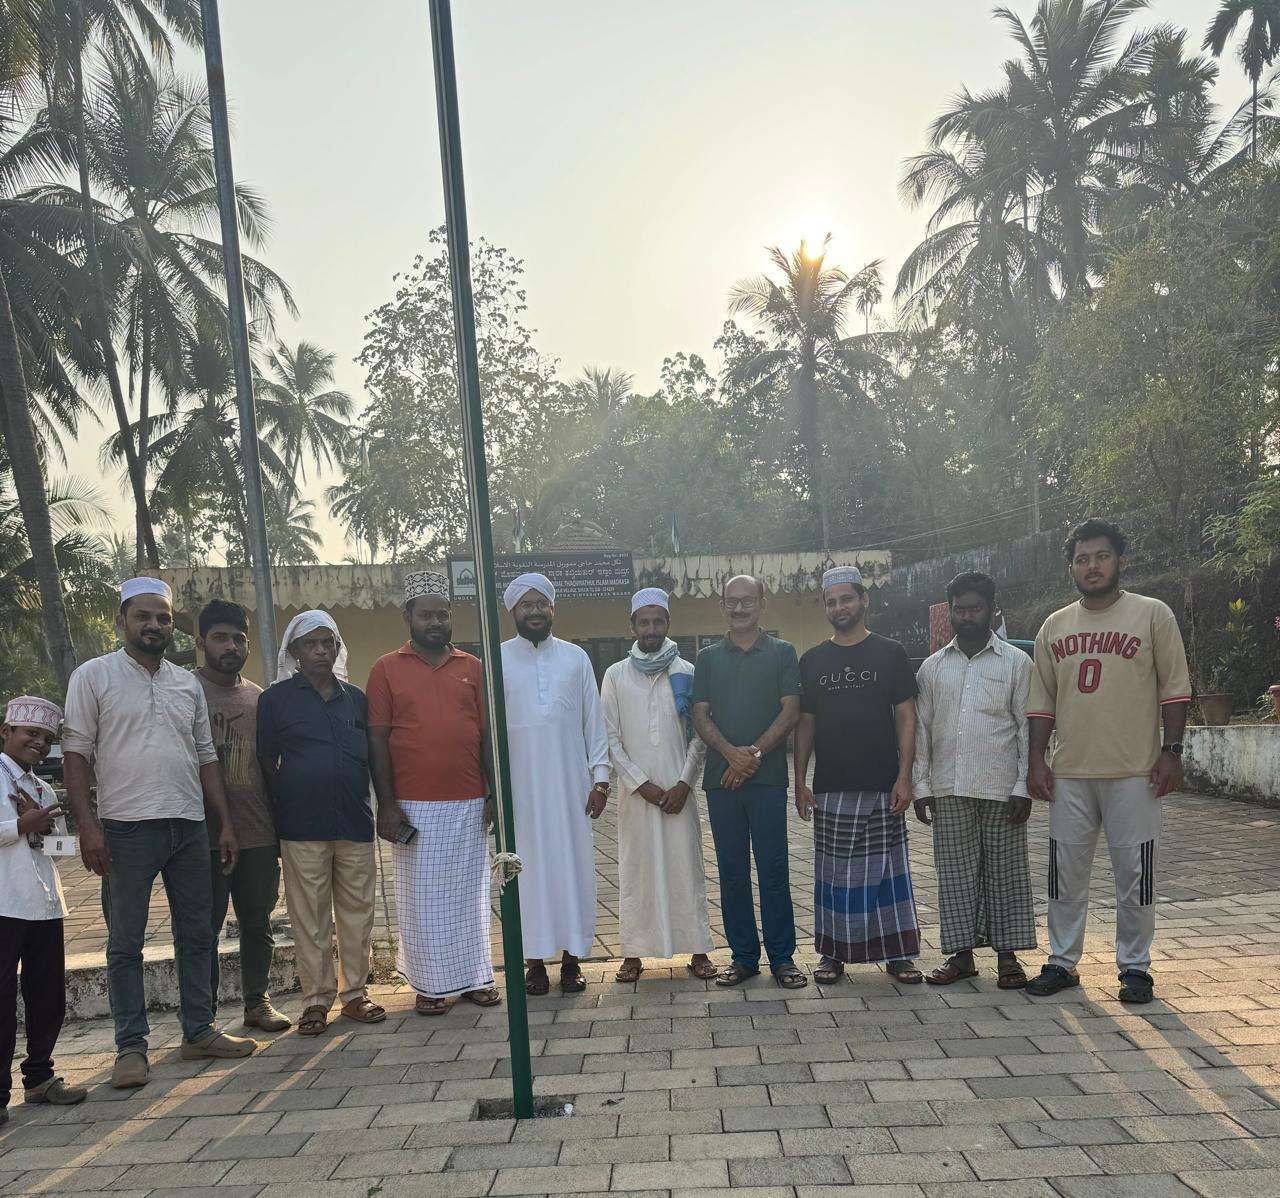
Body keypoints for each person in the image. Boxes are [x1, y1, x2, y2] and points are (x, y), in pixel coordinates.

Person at [63, 578, 256, 1090]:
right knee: (126, 943)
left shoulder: (184, 684)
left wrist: (224, 823)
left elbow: (206, 756)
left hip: (189, 827)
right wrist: (88, 826)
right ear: (122, 621)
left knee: (197, 934)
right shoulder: (94, 676)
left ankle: (199, 1031)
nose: (154, 625)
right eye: (143, 616)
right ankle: (131, 1048)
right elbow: (76, 754)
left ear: (174, 625)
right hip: (125, 830)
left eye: (163, 618)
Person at [1025, 519, 1191, 1005]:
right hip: (1070, 774)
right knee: (1064, 874)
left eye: (1101, 556)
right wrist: (1037, 760)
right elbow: (1042, 703)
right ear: (1071, 568)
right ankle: (1062, 961)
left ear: (1121, 561)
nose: (1092, 566)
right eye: (1082, 559)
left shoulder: (1152, 615)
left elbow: (1175, 690)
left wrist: (1171, 751)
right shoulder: (1054, 626)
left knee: (1136, 874)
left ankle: (1135, 967)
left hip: (1135, 772)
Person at [368, 571, 500, 1016]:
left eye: (442, 614)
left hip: (468, 800)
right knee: (422, 901)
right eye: (426, 615)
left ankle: (475, 977)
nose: (435, 622)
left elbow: (485, 735)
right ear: (407, 616)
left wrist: (493, 793)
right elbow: (377, 740)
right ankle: (429, 984)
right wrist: (387, 805)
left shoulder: (471, 667)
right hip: (413, 805)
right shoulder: (386, 669)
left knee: (469, 895)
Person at [257, 610, 383, 1036]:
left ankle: (355, 994)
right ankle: (315, 1000)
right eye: (310, 644)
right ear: (294, 651)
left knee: (358, 913)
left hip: (354, 822)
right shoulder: (275, 700)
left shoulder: (356, 699)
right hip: (301, 826)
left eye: (328, 643)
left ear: (337, 648)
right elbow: (266, 762)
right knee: (309, 917)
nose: (320, 651)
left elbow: (371, 757)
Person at [795, 567, 923, 986]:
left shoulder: (890, 653)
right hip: (832, 786)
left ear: (864, 600)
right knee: (834, 875)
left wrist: (905, 776)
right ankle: (832, 954)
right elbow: (805, 725)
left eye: (846, 599)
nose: (839, 608)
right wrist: (800, 781)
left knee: (889, 875)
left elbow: (906, 716)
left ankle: (899, 954)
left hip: (882, 784)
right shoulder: (813, 660)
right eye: (831, 602)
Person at [912, 571, 1036, 990]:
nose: (967, 616)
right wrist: (921, 786)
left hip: (1002, 789)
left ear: (992, 610)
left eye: (975, 608)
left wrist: (1023, 786)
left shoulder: (1016, 663)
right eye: (960, 609)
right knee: (955, 873)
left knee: (1006, 872)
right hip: (948, 788)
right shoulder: (932, 668)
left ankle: (1008, 958)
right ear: (951, 612)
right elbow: (921, 731)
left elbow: (1027, 729)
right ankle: (961, 956)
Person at [692, 575, 805, 990]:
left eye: (747, 601)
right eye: (732, 601)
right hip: (722, 782)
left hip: (768, 781)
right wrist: (732, 755)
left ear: (762, 604)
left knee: (774, 869)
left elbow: (791, 710)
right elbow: (700, 715)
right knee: (732, 871)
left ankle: (783, 958)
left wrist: (753, 754)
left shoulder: (782, 652)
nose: (739, 608)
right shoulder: (707, 658)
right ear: (722, 605)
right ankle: (743, 957)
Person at [500, 573, 610, 996]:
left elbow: (593, 721)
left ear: (553, 609)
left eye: (540, 604)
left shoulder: (575, 658)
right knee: (525, 873)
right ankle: (533, 963)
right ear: (513, 612)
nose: (534, 611)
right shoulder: (497, 659)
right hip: (521, 790)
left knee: (571, 869)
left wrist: (601, 780)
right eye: (525, 605)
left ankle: (571, 961)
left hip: (569, 787)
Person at [601, 588, 714, 983]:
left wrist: (684, 783)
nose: (651, 629)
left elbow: (699, 736)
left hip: (680, 791)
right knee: (637, 870)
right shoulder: (615, 675)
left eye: (658, 621)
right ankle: (633, 953)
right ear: (632, 626)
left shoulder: (688, 672)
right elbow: (609, 738)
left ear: (668, 623)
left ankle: (698, 949)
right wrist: (640, 784)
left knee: (686, 868)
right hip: (637, 797)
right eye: (643, 622)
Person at [195, 600, 290, 1033]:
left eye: (238, 638)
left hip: (258, 832)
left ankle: (257, 1002)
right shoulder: (185, 691)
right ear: (201, 642)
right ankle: (205, 1018)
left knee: (257, 923)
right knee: (204, 929)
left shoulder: (260, 698)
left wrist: (282, 827)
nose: (230, 646)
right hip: (202, 837)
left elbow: (271, 766)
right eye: (220, 638)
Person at [1, 697, 86, 1123]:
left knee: (48, 996)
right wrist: (21, 825)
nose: (39, 743)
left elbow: (61, 850)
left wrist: (48, 829)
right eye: (31, 733)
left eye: (47, 738)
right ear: (6, 732)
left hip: (45, 904)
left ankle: (39, 1077)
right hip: (4, 903)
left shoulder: (43, 788)